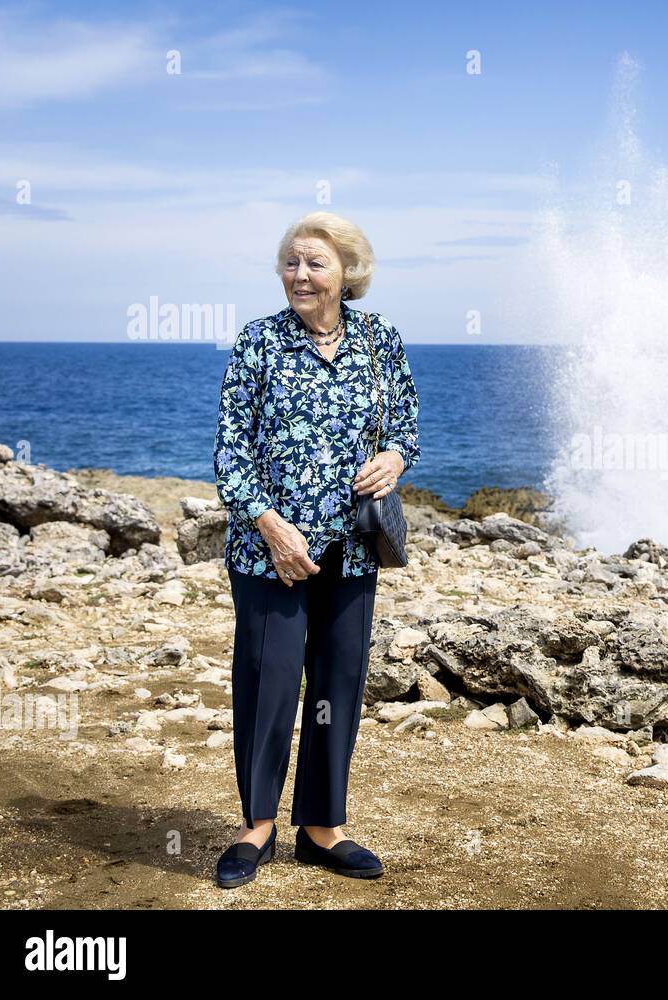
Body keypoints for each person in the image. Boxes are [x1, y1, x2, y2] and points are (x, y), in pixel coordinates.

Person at [211, 211, 420, 887]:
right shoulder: (259, 343)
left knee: (339, 683)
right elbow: (229, 453)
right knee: (268, 685)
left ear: (347, 273)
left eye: (315, 263)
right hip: (270, 551)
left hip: (353, 551)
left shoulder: (380, 338)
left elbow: (408, 424)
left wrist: (392, 457)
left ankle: (323, 829)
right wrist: (271, 526)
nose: (300, 274)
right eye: (292, 262)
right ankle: (256, 827)